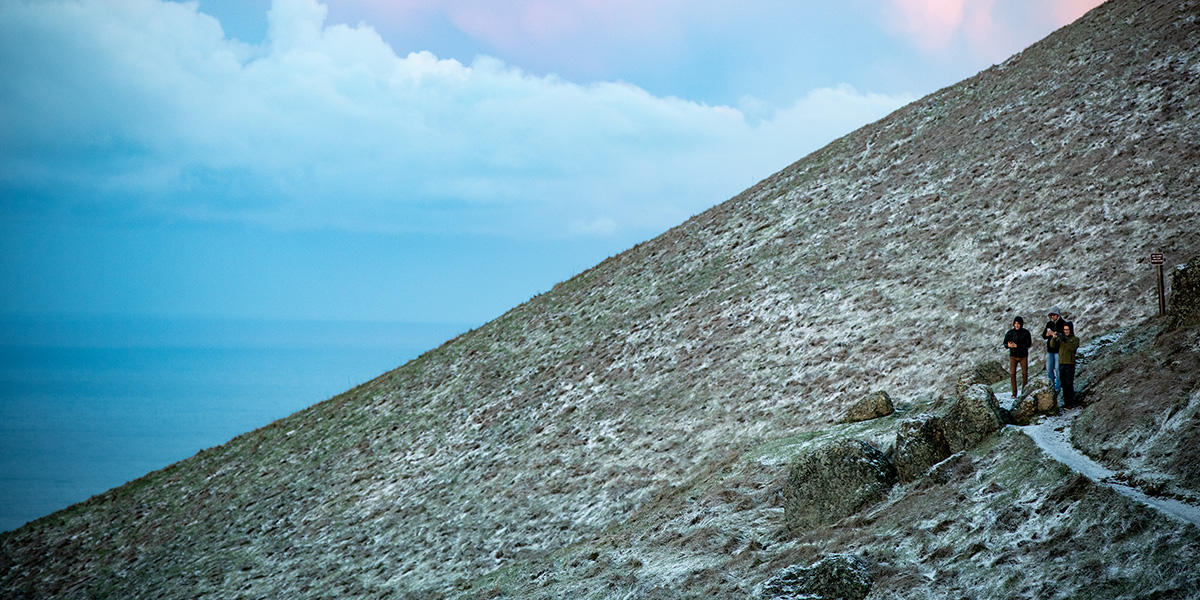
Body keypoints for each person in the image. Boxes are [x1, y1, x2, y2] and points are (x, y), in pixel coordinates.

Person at [1049, 321, 1081, 408]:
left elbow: (1072, 348)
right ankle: (1066, 402)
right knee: (1063, 383)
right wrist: (1054, 338)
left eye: (1067, 330)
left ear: (1071, 330)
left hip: (1070, 364)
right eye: (1064, 330)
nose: (1066, 331)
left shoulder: (1075, 339)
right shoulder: (1062, 339)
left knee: (1069, 384)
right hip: (1062, 363)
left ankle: (1070, 403)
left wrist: (1064, 339)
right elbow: (1053, 345)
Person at [1003, 316, 1033, 400]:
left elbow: (1028, 344)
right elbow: (1005, 343)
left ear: (1021, 324)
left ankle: (1024, 391)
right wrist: (1008, 345)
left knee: (1024, 374)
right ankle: (1014, 393)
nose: (1016, 325)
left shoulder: (1026, 332)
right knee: (1012, 374)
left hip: (1023, 356)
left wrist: (1017, 345)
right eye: (1015, 323)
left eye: (1018, 323)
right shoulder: (1010, 333)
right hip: (1013, 356)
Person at [1041, 307, 1066, 392]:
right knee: (1049, 369)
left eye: (1053, 315)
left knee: (1058, 369)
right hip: (1050, 350)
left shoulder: (1063, 323)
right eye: (1051, 315)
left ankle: (1058, 387)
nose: (1052, 317)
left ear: (1057, 315)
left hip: (1059, 350)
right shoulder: (1049, 324)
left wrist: (1057, 334)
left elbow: (1065, 336)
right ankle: (1051, 386)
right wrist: (1047, 334)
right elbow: (1043, 336)